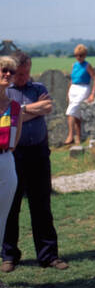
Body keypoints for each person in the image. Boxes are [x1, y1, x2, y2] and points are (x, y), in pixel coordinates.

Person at [1, 53, 68, 273]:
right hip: (14, 153)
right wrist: (29, 110)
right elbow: (11, 117)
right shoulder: (5, 91)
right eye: (19, 73)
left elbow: (47, 107)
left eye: (26, 72)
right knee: (11, 205)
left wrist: (19, 111)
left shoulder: (37, 87)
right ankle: (9, 255)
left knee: (41, 204)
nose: (22, 77)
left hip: (38, 152)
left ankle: (48, 255)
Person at [0, 56, 23, 252]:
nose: (8, 74)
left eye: (11, 71)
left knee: (1, 218)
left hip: (6, 160)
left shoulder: (14, 107)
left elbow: (14, 141)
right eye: (3, 70)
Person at [65, 44, 95, 146]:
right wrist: (68, 92)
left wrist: (92, 93)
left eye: (81, 55)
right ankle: (78, 138)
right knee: (76, 114)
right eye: (77, 55)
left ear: (84, 55)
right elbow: (71, 79)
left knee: (71, 111)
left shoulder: (87, 65)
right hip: (73, 89)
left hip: (83, 88)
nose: (78, 57)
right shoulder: (74, 65)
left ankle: (70, 135)